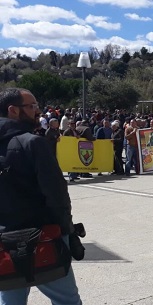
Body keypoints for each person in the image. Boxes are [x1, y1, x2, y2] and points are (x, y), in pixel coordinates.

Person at [0, 88, 82, 305]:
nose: (39, 111)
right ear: (13, 110)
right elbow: (57, 195)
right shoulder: (33, 143)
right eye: (32, 106)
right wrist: (67, 231)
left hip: (5, 243)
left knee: (10, 301)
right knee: (68, 301)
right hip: (42, 238)